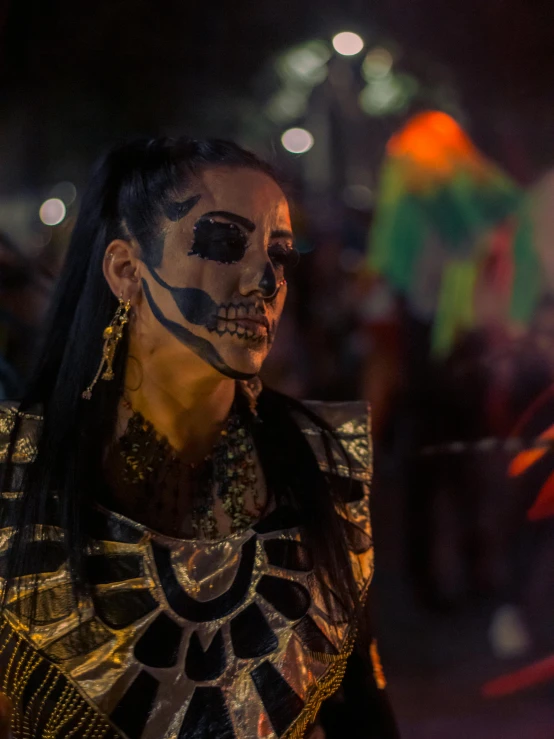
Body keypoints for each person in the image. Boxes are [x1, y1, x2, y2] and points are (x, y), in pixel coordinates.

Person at [0, 137, 399, 739]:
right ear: (126, 270)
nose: (264, 279)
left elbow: (361, 711)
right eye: (222, 243)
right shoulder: (16, 471)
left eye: (281, 255)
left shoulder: (321, 461)